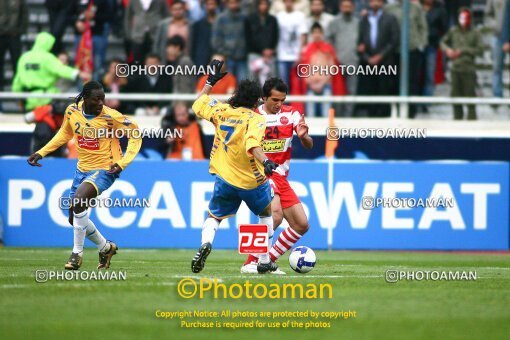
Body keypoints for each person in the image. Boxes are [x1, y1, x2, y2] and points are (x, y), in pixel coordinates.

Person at [26, 81, 142, 270]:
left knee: (79, 200)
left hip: (105, 169)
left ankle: (76, 254)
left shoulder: (111, 117)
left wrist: (122, 163)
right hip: (82, 169)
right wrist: (41, 152)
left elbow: (135, 134)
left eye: (103, 99)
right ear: (85, 98)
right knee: (74, 218)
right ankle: (105, 247)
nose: (101, 103)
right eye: (97, 99)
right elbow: (64, 133)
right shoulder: (72, 111)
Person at [190, 60, 280, 274]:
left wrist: (210, 81)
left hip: (225, 178)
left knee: (214, 217)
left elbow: (198, 104)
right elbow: (252, 144)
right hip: (251, 180)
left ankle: (206, 243)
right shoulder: (256, 119)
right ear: (257, 100)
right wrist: (266, 161)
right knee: (266, 214)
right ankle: (264, 259)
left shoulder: (221, 111)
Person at [241, 77, 312, 274]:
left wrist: (305, 137)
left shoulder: (292, 114)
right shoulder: (253, 116)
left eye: (282, 100)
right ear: (264, 98)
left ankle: (268, 261)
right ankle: (250, 262)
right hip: (260, 172)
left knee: (301, 224)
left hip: (281, 176)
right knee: (276, 215)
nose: (278, 104)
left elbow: (308, 143)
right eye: (274, 100)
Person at [12, 32, 91, 111]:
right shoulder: (47, 57)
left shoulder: (24, 57)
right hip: (45, 100)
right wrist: (78, 73)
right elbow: (61, 69)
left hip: (28, 100)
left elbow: (17, 81)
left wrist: (19, 99)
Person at [355, 0, 399, 117]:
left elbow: (394, 41)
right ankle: (371, 122)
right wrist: (367, 58)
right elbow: (360, 43)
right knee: (370, 93)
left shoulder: (390, 19)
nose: (375, 3)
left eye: (377, 1)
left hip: (385, 62)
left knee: (384, 92)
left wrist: (380, 56)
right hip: (368, 64)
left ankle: (384, 122)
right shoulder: (364, 20)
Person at [385, 0, 428, 118]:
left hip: (412, 49)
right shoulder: (389, 9)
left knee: (412, 82)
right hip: (394, 51)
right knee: (394, 82)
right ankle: (396, 111)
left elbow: (423, 27)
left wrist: (421, 45)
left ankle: (411, 113)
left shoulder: (415, 8)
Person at [440, 7, 483, 120]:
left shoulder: (475, 33)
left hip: (468, 69)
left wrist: (464, 50)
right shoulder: (453, 31)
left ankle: (472, 121)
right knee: (455, 97)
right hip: (455, 68)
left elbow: (480, 50)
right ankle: (457, 119)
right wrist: (448, 50)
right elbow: (442, 42)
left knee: (470, 98)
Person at [327, 0, 359, 116]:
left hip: (353, 62)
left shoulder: (357, 23)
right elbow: (328, 40)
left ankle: (348, 117)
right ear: (340, 7)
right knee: (337, 91)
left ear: (353, 7)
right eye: (344, 6)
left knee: (351, 91)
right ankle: (338, 116)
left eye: (349, 6)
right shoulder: (334, 22)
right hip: (336, 64)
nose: (346, 9)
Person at [0, 0, 27, 113]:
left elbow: (24, 15)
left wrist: (20, 31)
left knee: (18, 67)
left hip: (14, 35)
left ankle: (21, 101)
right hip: (1, 35)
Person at [212, 0, 248, 80]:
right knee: (229, 84)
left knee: (243, 84)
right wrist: (225, 53)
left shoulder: (244, 18)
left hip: (242, 58)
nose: (234, 5)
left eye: (236, 2)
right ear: (227, 3)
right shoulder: (221, 19)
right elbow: (216, 41)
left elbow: (249, 37)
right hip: (227, 59)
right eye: (231, 2)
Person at [276, 0, 308, 88]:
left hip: (297, 56)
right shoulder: (279, 16)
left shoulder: (300, 16)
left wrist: (300, 54)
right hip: (282, 55)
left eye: (290, 1)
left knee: (298, 85)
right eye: (286, 1)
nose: (288, 3)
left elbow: (303, 35)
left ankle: (298, 102)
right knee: (283, 85)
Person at [245, 0, 279, 82]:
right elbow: (248, 38)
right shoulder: (250, 19)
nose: (263, 6)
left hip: (269, 55)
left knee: (271, 81)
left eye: (265, 4)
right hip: (254, 54)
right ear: (257, 5)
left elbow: (275, 36)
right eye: (261, 4)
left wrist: (270, 50)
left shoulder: (272, 19)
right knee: (252, 81)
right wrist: (262, 50)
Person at [421, 0, 448, 102]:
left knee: (429, 74)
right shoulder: (417, 7)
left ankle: (426, 100)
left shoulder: (439, 10)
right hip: (418, 46)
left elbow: (444, 29)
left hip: (432, 45)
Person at [484, 0, 507, 100]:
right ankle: (497, 94)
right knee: (497, 66)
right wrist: (496, 25)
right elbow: (487, 14)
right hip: (498, 36)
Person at [190, 0, 218, 67]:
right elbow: (194, 43)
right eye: (208, 4)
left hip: (217, 58)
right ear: (205, 6)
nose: (210, 7)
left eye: (212, 4)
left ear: (216, 6)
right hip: (201, 60)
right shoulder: (198, 24)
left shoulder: (221, 23)